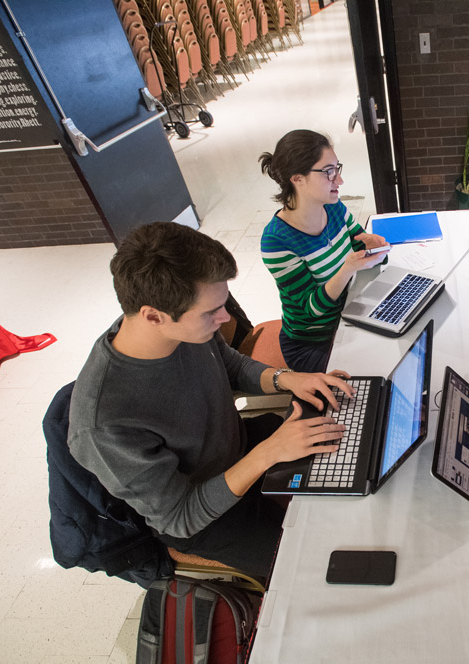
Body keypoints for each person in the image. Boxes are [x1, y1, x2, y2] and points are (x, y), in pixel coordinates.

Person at [68, 221, 353, 576]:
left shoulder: (177, 327)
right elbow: (179, 517)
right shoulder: (103, 422)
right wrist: (269, 453)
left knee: (352, 453)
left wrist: (288, 379)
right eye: (211, 312)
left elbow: (229, 364)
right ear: (153, 316)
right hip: (207, 513)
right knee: (321, 569)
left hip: (241, 446)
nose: (226, 319)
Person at [259, 130, 389, 373]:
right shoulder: (277, 240)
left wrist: (373, 245)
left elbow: (359, 245)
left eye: (337, 169)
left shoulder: (334, 206)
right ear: (297, 179)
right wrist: (348, 268)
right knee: (375, 373)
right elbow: (312, 310)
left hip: (348, 318)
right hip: (312, 343)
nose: (339, 180)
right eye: (328, 172)